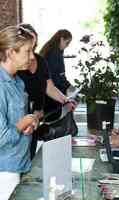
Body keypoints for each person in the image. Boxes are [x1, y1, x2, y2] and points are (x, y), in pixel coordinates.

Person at [17, 24, 76, 159]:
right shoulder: (15, 66)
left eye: (34, 45)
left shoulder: (40, 61)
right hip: (21, 119)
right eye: (28, 48)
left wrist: (66, 100)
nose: (32, 54)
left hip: (36, 118)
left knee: (30, 155)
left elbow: (49, 87)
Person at [0, 26, 38, 200]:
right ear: (10, 52)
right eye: (28, 51)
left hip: (21, 163)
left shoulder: (18, 81)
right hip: (5, 171)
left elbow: (18, 121)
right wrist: (22, 124)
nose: (32, 57)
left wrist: (29, 124)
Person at [40, 29, 72, 121]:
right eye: (67, 43)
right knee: (54, 120)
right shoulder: (54, 54)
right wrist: (66, 90)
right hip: (53, 94)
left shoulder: (50, 51)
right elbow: (56, 77)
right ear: (61, 39)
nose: (67, 46)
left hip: (49, 93)